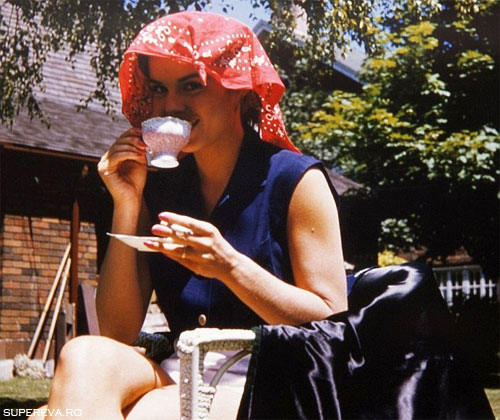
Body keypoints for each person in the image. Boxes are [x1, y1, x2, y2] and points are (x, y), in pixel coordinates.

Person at [31, 10, 347, 420]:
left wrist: (230, 266)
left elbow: (332, 321)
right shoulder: (161, 186)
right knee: (83, 355)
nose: (170, 105)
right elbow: (116, 333)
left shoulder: (295, 180)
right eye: (158, 89)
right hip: (182, 368)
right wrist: (127, 203)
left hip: (273, 377)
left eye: (191, 85)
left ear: (238, 89)